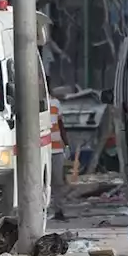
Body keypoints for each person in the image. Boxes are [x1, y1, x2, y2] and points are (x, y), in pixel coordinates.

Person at [48, 92, 71, 222]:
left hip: (56, 149)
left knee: (58, 181)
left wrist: (66, 144)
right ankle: (41, 211)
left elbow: (60, 125)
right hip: (41, 149)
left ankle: (58, 210)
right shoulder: (32, 103)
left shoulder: (56, 103)